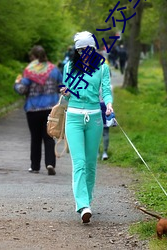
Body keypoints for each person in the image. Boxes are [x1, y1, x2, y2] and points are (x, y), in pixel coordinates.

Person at [60, 31, 113, 223]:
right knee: (79, 163)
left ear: (93, 48)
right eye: (80, 50)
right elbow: (66, 94)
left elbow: (106, 90)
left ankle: (87, 201)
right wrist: (65, 92)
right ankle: (82, 205)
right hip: (73, 117)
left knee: (91, 164)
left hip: (95, 118)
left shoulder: (102, 68)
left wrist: (108, 104)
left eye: (87, 49)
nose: (83, 53)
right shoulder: (69, 67)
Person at [14, 45, 62, 175]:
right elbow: (61, 87)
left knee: (35, 138)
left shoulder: (29, 71)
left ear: (33, 57)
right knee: (49, 136)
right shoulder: (54, 70)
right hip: (50, 109)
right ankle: (50, 163)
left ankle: (35, 167)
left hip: (33, 109)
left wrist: (17, 83)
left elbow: (22, 90)